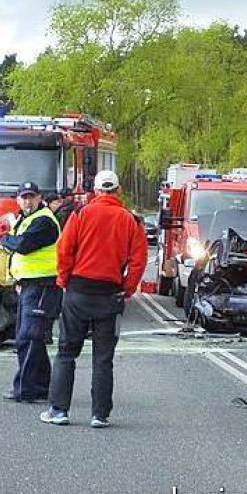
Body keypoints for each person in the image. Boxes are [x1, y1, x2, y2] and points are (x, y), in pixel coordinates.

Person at [41, 170, 148, 428]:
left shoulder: (81, 214)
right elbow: (138, 260)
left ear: (96, 191)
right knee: (103, 357)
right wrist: (127, 289)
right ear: (118, 190)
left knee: (66, 352)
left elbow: (64, 250)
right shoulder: (130, 220)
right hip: (110, 294)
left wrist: (64, 281)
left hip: (78, 291)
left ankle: (59, 410)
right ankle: (99, 414)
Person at [0, 181, 61, 403]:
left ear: (40, 198)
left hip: (43, 286)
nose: (27, 201)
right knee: (33, 338)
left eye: (31, 197)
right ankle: (41, 387)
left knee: (28, 338)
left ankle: (25, 389)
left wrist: (2, 237)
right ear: (18, 200)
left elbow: (23, 245)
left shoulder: (44, 221)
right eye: (24, 197)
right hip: (29, 286)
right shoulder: (25, 219)